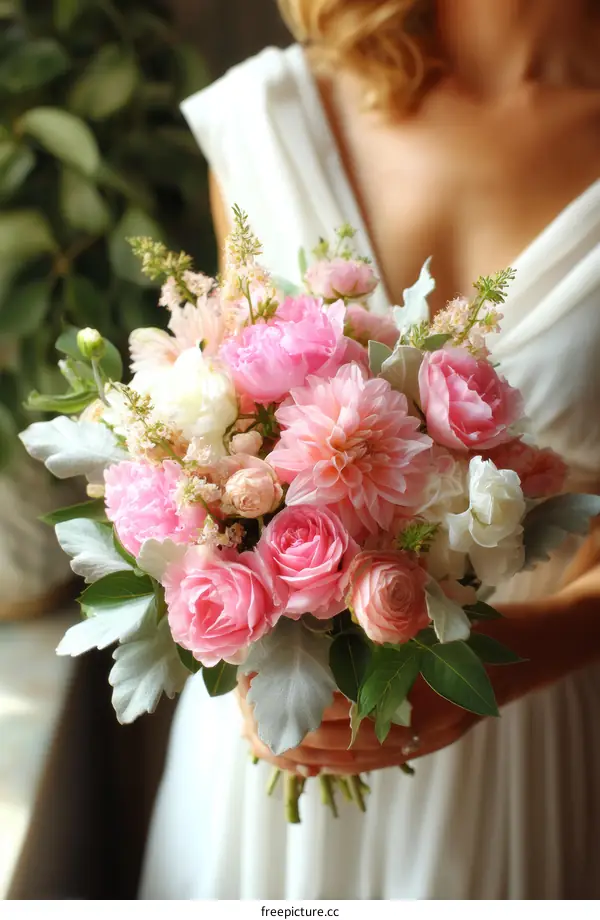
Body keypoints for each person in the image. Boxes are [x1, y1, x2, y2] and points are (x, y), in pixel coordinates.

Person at [139, 0, 600, 899]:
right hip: (263, 747)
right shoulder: (271, 120)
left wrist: (514, 657)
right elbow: (230, 444)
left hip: (516, 738)